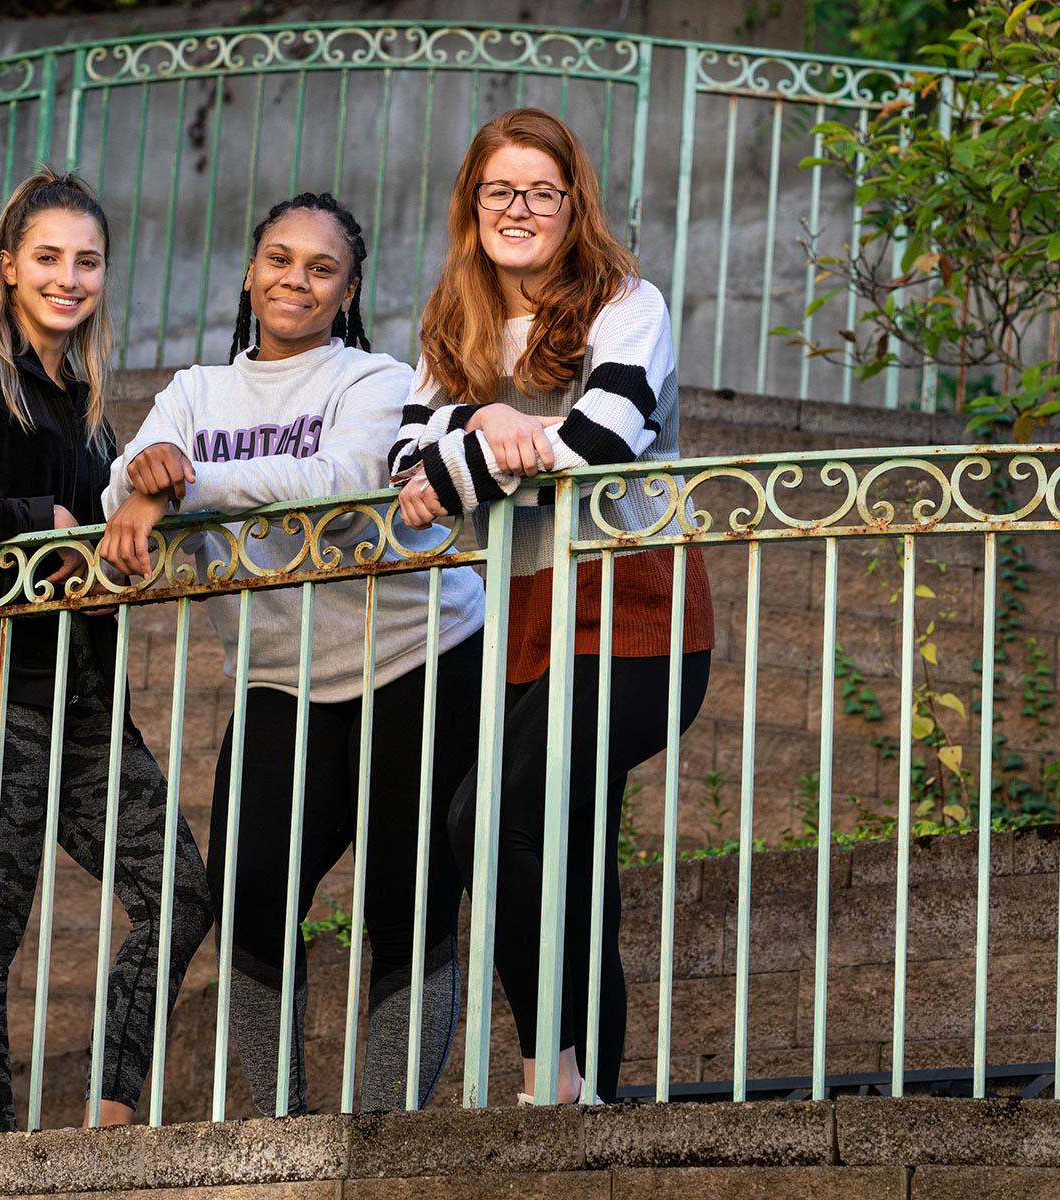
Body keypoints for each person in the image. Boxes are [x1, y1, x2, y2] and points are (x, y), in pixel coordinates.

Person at [99, 192, 486, 1115]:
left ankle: (388, 1127)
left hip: (419, 656)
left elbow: (345, 483)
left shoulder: (377, 380)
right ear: (249, 272)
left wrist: (187, 482)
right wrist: (150, 479)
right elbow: (124, 477)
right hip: (282, 676)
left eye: (321, 269)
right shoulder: (194, 392)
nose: (296, 281)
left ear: (348, 291)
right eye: (279, 259)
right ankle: (279, 1123)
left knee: (406, 898)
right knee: (249, 900)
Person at [390, 108, 714, 1105]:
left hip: (639, 610)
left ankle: (551, 1078)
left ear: (572, 204)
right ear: (471, 203)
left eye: (541, 190)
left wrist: (469, 448)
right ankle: (583, 1089)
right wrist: (490, 428)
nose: (519, 209)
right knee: (559, 849)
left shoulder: (629, 303)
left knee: (488, 815)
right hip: (532, 613)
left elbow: (599, 447)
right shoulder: (455, 320)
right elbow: (401, 467)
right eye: (500, 191)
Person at [0, 169, 213, 1134]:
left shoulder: (88, 406)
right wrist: (44, 521)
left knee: (181, 888)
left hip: (81, 699)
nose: (69, 278)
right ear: (8, 265)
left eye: (88, 261)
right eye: (48, 259)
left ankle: (110, 1111)